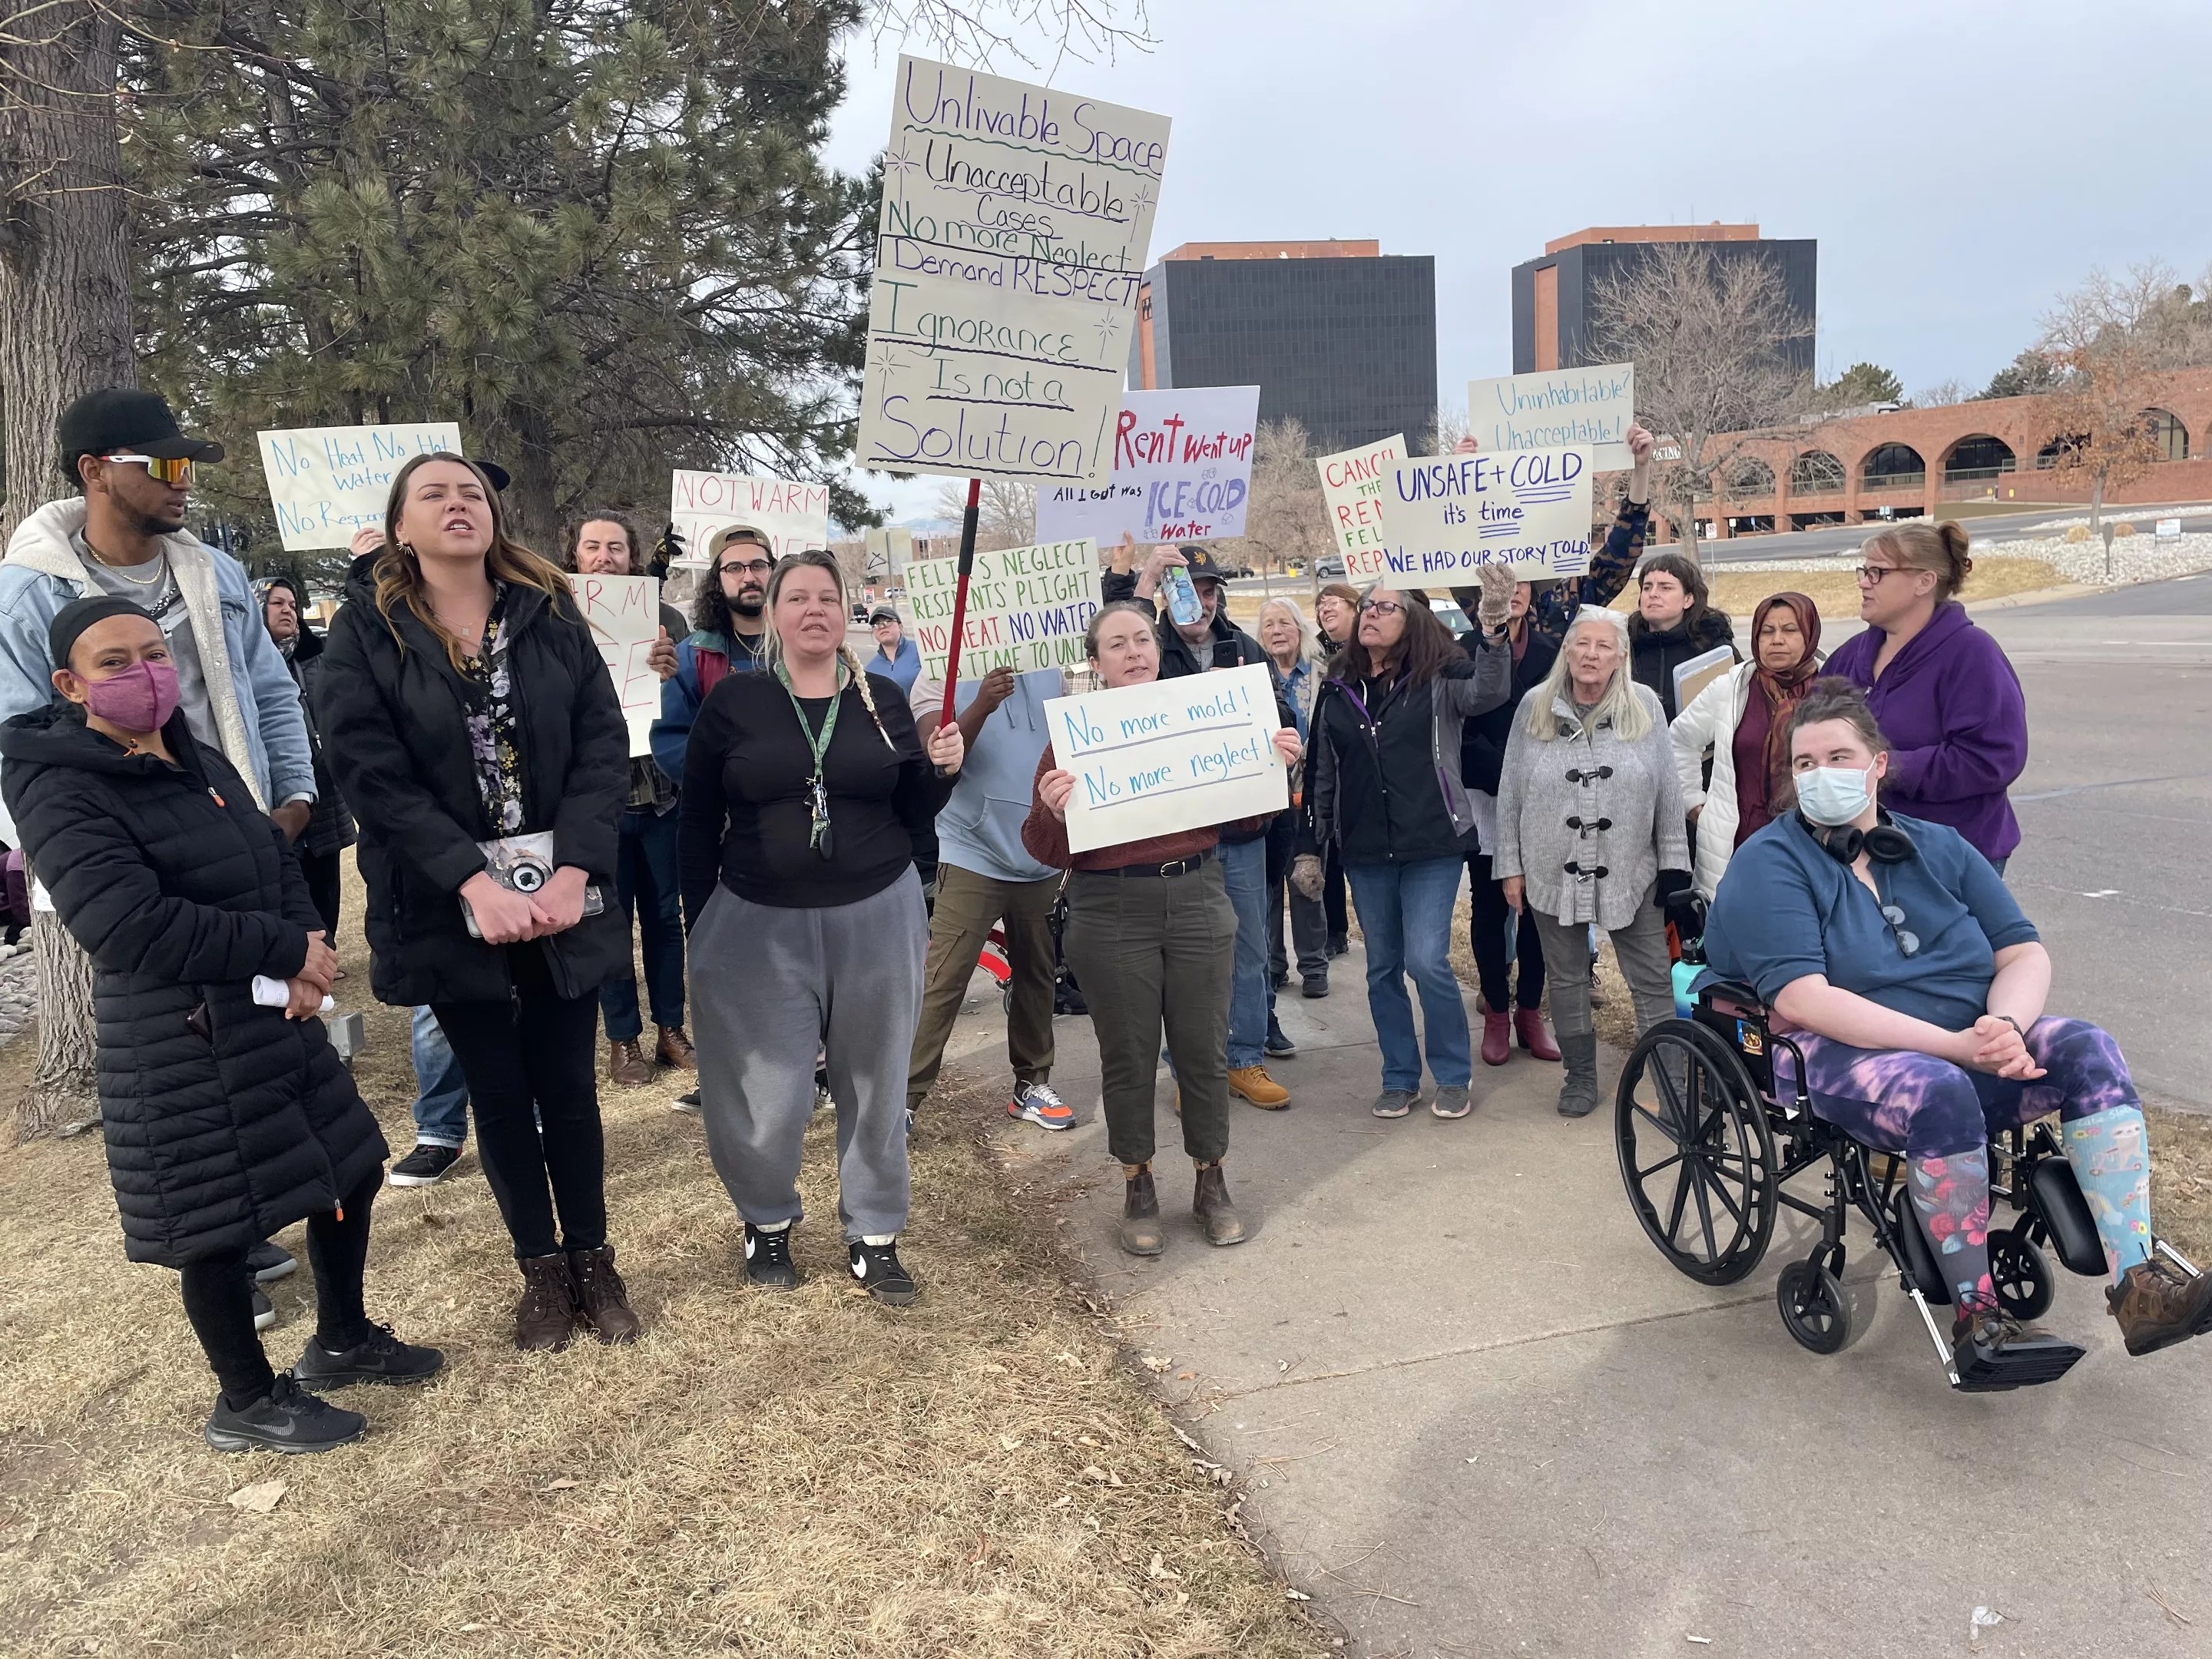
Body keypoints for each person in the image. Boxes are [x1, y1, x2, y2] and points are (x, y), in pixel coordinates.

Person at [2, 597, 441, 1452]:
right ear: (70, 683)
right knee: (215, 1221)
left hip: (271, 1013)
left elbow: (269, 853)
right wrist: (283, 947)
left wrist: (307, 946)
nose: (144, 673)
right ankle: (244, 1399)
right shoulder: (53, 781)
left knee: (344, 1172)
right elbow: (126, 923)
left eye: (153, 653)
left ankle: (342, 1338)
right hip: (181, 1033)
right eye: (115, 662)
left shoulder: (191, 749)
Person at [1700, 678, 2212, 1381]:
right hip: (1841, 1050)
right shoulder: (1771, 860)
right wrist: (1955, 1045)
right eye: (1805, 764)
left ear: (1878, 763)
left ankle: (2141, 1287)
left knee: (2088, 1048)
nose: (1821, 774)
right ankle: (1978, 1315)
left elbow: (2022, 950)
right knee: (1940, 1090)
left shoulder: (1938, 846)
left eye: (1839, 756)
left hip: (1971, 1033)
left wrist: (2004, 1025)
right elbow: (1803, 997)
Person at [318, 452, 642, 1352]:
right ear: (400, 528)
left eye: (473, 495)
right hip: (445, 900)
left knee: (569, 1089)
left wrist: (578, 868)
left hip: (557, 896)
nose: (459, 506)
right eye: (436, 495)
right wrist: (470, 879)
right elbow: (370, 776)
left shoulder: (548, 615)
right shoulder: (364, 631)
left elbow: (600, 744)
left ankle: (592, 1258)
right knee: (497, 1092)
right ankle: (538, 1269)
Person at [680, 551, 964, 1304]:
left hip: (877, 911)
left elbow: (914, 816)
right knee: (766, 1092)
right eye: (797, 597)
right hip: (756, 920)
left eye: (828, 598)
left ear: (849, 613)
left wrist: (943, 773)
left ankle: (874, 1233)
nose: (814, 610)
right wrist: (699, 926)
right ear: (773, 613)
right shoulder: (735, 702)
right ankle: (766, 1220)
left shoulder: (882, 700)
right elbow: (698, 820)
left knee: (874, 1080)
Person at [1023, 602, 1303, 1255]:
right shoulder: (1071, 736)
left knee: (1204, 1051)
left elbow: (1247, 825)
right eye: (1116, 645)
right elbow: (1042, 848)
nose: (1133, 652)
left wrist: (1272, 768)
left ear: (1158, 647)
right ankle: (1138, 1182)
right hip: (1111, 908)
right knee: (1129, 1056)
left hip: (1199, 894)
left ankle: (1211, 1180)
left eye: (1142, 640)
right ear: (1096, 662)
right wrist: (1051, 809)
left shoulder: (1201, 719)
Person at [0, 388, 316, 855]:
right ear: (95, 471)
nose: (183, 482)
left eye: (186, 467)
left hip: (248, 829)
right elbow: (20, 743)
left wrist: (294, 800)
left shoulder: (219, 574)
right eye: (164, 466)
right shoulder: (30, 596)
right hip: (128, 853)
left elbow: (271, 691)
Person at [1450, 425, 1659, 1065]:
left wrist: (1640, 473)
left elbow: (1621, 551)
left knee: (1548, 912)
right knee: (1491, 905)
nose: (1512, 589)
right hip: (1491, 788)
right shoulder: (1475, 621)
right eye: (1501, 584)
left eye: (1523, 582)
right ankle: (1493, 1006)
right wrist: (1470, 475)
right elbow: (1452, 543)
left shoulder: (1566, 616)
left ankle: (1531, 1009)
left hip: (1560, 787)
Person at [1296, 574, 1514, 1118]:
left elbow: (1490, 690)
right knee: (1382, 967)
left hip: (1433, 843)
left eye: (1384, 607)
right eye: (1366, 606)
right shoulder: (1338, 684)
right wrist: (1309, 846)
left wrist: (1491, 628)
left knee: (1426, 960)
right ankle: (1399, 1075)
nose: (1369, 613)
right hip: (1366, 850)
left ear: (1411, 619)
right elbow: (1322, 767)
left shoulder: (1441, 677)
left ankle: (1452, 1073)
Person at [1493, 607, 1690, 1117]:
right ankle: (1580, 1077)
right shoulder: (1535, 707)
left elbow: (1669, 791)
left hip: (1632, 869)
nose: (1591, 655)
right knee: (1567, 977)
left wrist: (1674, 864)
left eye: (1604, 646)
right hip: (1550, 867)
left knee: (1650, 980)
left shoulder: (1645, 705)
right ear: (1567, 650)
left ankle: (1673, 1088)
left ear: (1621, 656)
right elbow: (1510, 792)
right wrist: (1509, 866)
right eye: (1582, 644)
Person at [1118, 542, 1291, 1109]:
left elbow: (1283, 716)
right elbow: (1108, 679)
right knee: (1183, 958)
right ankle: (1189, 1068)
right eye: (1191, 587)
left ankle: (1243, 1058)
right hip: (1170, 833)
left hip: (1239, 832)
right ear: (1167, 595)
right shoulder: (1146, 647)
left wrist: (1290, 741)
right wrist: (1143, 581)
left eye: (1212, 589)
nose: (1204, 600)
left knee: (1248, 948)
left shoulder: (1245, 648)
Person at [902, 663, 1070, 1131]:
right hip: (971, 849)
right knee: (944, 976)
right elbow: (935, 755)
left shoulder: (1052, 663)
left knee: (1037, 973)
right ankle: (904, 1097)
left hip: (1038, 848)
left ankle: (1031, 1083)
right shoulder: (938, 672)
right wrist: (981, 705)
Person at [567, 511, 692, 1088]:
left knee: (666, 920)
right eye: (592, 546)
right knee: (609, 925)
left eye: (615, 547)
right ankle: (623, 1040)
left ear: (633, 555)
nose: (604, 557)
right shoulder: (556, 618)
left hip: (661, 796)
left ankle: (671, 1029)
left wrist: (671, 674)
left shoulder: (666, 618)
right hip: (597, 800)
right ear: (575, 555)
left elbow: (689, 702)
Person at [1823, 522, 2027, 872]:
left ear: (1924, 581)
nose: (1863, 582)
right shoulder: (1850, 656)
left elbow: (1991, 759)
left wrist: (1886, 769)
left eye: (1878, 573)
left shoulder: (1972, 655)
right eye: (1864, 571)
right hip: (1862, 851)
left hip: (1951, 856)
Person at [1672, 591, 1823, 900]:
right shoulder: (1731, 687)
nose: (1776, 640)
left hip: (1816, 845)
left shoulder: (1833, 686)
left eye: (1790, 630)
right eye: (1767, 631)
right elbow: (1679, 739)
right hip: (1740, 845)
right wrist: (1695, 804)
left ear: (1809, 633)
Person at [258, 575, 356, 950]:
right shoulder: (248, 664)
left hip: (323, 788)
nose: (288, 611)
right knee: (288, 874)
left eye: (293, 605)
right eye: (277, 603)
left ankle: (328, 950)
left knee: (326, 875)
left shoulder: (315, 657)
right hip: (276, 790)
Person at [1256, 598, 1328, 1010]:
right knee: (1265, 888)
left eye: (1285, 623)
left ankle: (1315, 968)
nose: (1277, 631)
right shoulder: (1251, 677)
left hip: (1309, 794)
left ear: (1300, 629)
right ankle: (1273, 966)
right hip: (1267, 798)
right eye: (1269, 626)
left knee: (1306, 881)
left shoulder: (1321, 675)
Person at [1310, 581, 1363, 955]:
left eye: (1334, 602)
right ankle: (1334, 931)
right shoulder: (1312, 653)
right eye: (1320, 605)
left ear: (1355, 608)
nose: (1326, 609)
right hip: (1325, 762)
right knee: (1325, 853)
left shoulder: (1372, 650)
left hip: (1360, 765)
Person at [1625, 551, 1737, 720]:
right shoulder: (1625, 645)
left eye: (1665, 588)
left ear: (1688, 599)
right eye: (1647, 587)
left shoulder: (1713, 646)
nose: (1653, 594)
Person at [867, 604, 922, 694]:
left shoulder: (920, 651)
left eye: (888, 621)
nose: (882, 627)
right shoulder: (870, 669)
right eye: (876, 624)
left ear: (900, 626)